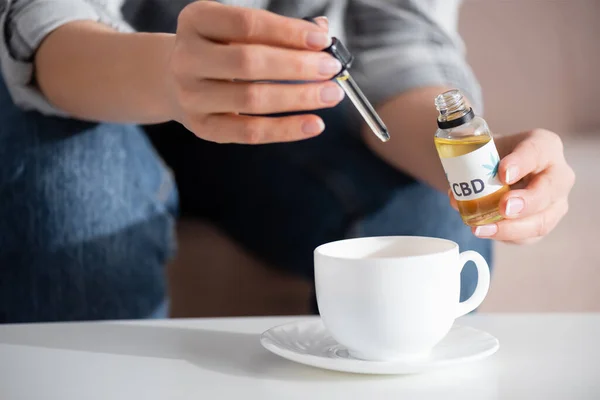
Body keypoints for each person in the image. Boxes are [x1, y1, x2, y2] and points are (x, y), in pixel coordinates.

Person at [0, 0, 575, 323]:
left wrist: (473, 160)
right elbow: (44, 21)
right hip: (94, 80)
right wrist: (171, 77)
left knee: (436, 230)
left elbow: (398, 38)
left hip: (288, 123)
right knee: (74, 195)